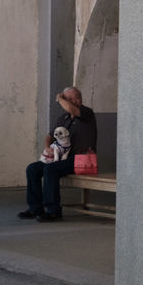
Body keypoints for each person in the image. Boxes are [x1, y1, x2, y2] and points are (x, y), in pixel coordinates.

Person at [18, 87, 97, 222]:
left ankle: (53, 210)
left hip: (80, 160)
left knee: (50, 169)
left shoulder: (87, 113)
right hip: (60, 157)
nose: (72, 101)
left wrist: (60, 98)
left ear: (79, 99)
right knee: (32, 169)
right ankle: (35, 208)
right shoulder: (63, 118)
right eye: (68, 99)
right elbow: (50, 135)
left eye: (74, 98)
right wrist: (47, 148)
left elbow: (72, 109)